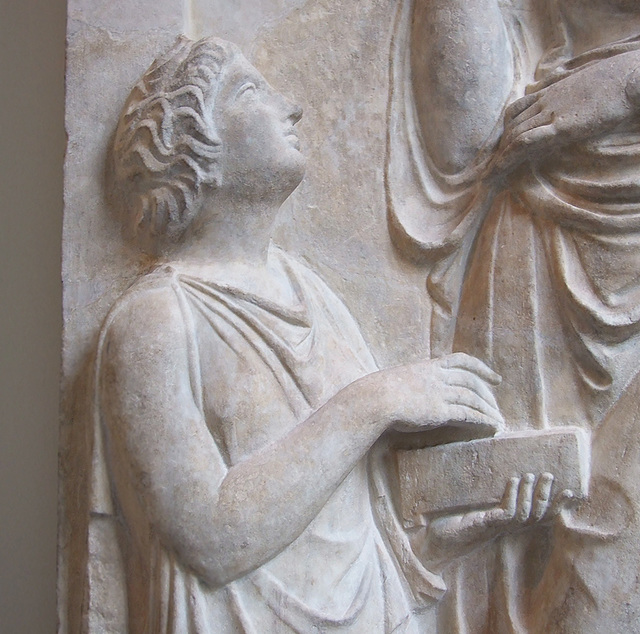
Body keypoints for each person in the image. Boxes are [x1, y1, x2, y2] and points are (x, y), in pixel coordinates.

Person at [88, 36, 561, 633]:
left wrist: (486, 522)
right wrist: (374, 402)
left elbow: (360, 539)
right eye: (251, 91)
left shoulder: (316, 297)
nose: (292, 107)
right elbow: (211, 540)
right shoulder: (155, 320)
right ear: (190, 150)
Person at [387, 0, 640, 631]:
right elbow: (467, 133)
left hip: (566, 169)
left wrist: (626, 82)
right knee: (525, 535)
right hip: (537, 224)